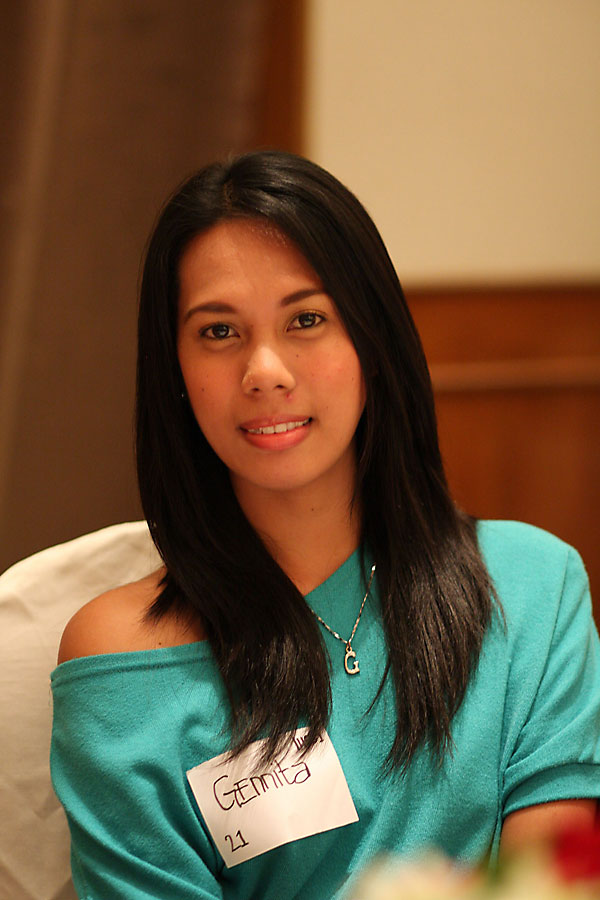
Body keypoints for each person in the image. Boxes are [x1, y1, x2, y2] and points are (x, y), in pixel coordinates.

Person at [50, 150, 600, 900]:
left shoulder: (533, 587)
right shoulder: (123, 660)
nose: (265, 371)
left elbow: (547, 883)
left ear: (372, 340)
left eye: (306, 319)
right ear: (174, 369)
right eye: (219, 331)